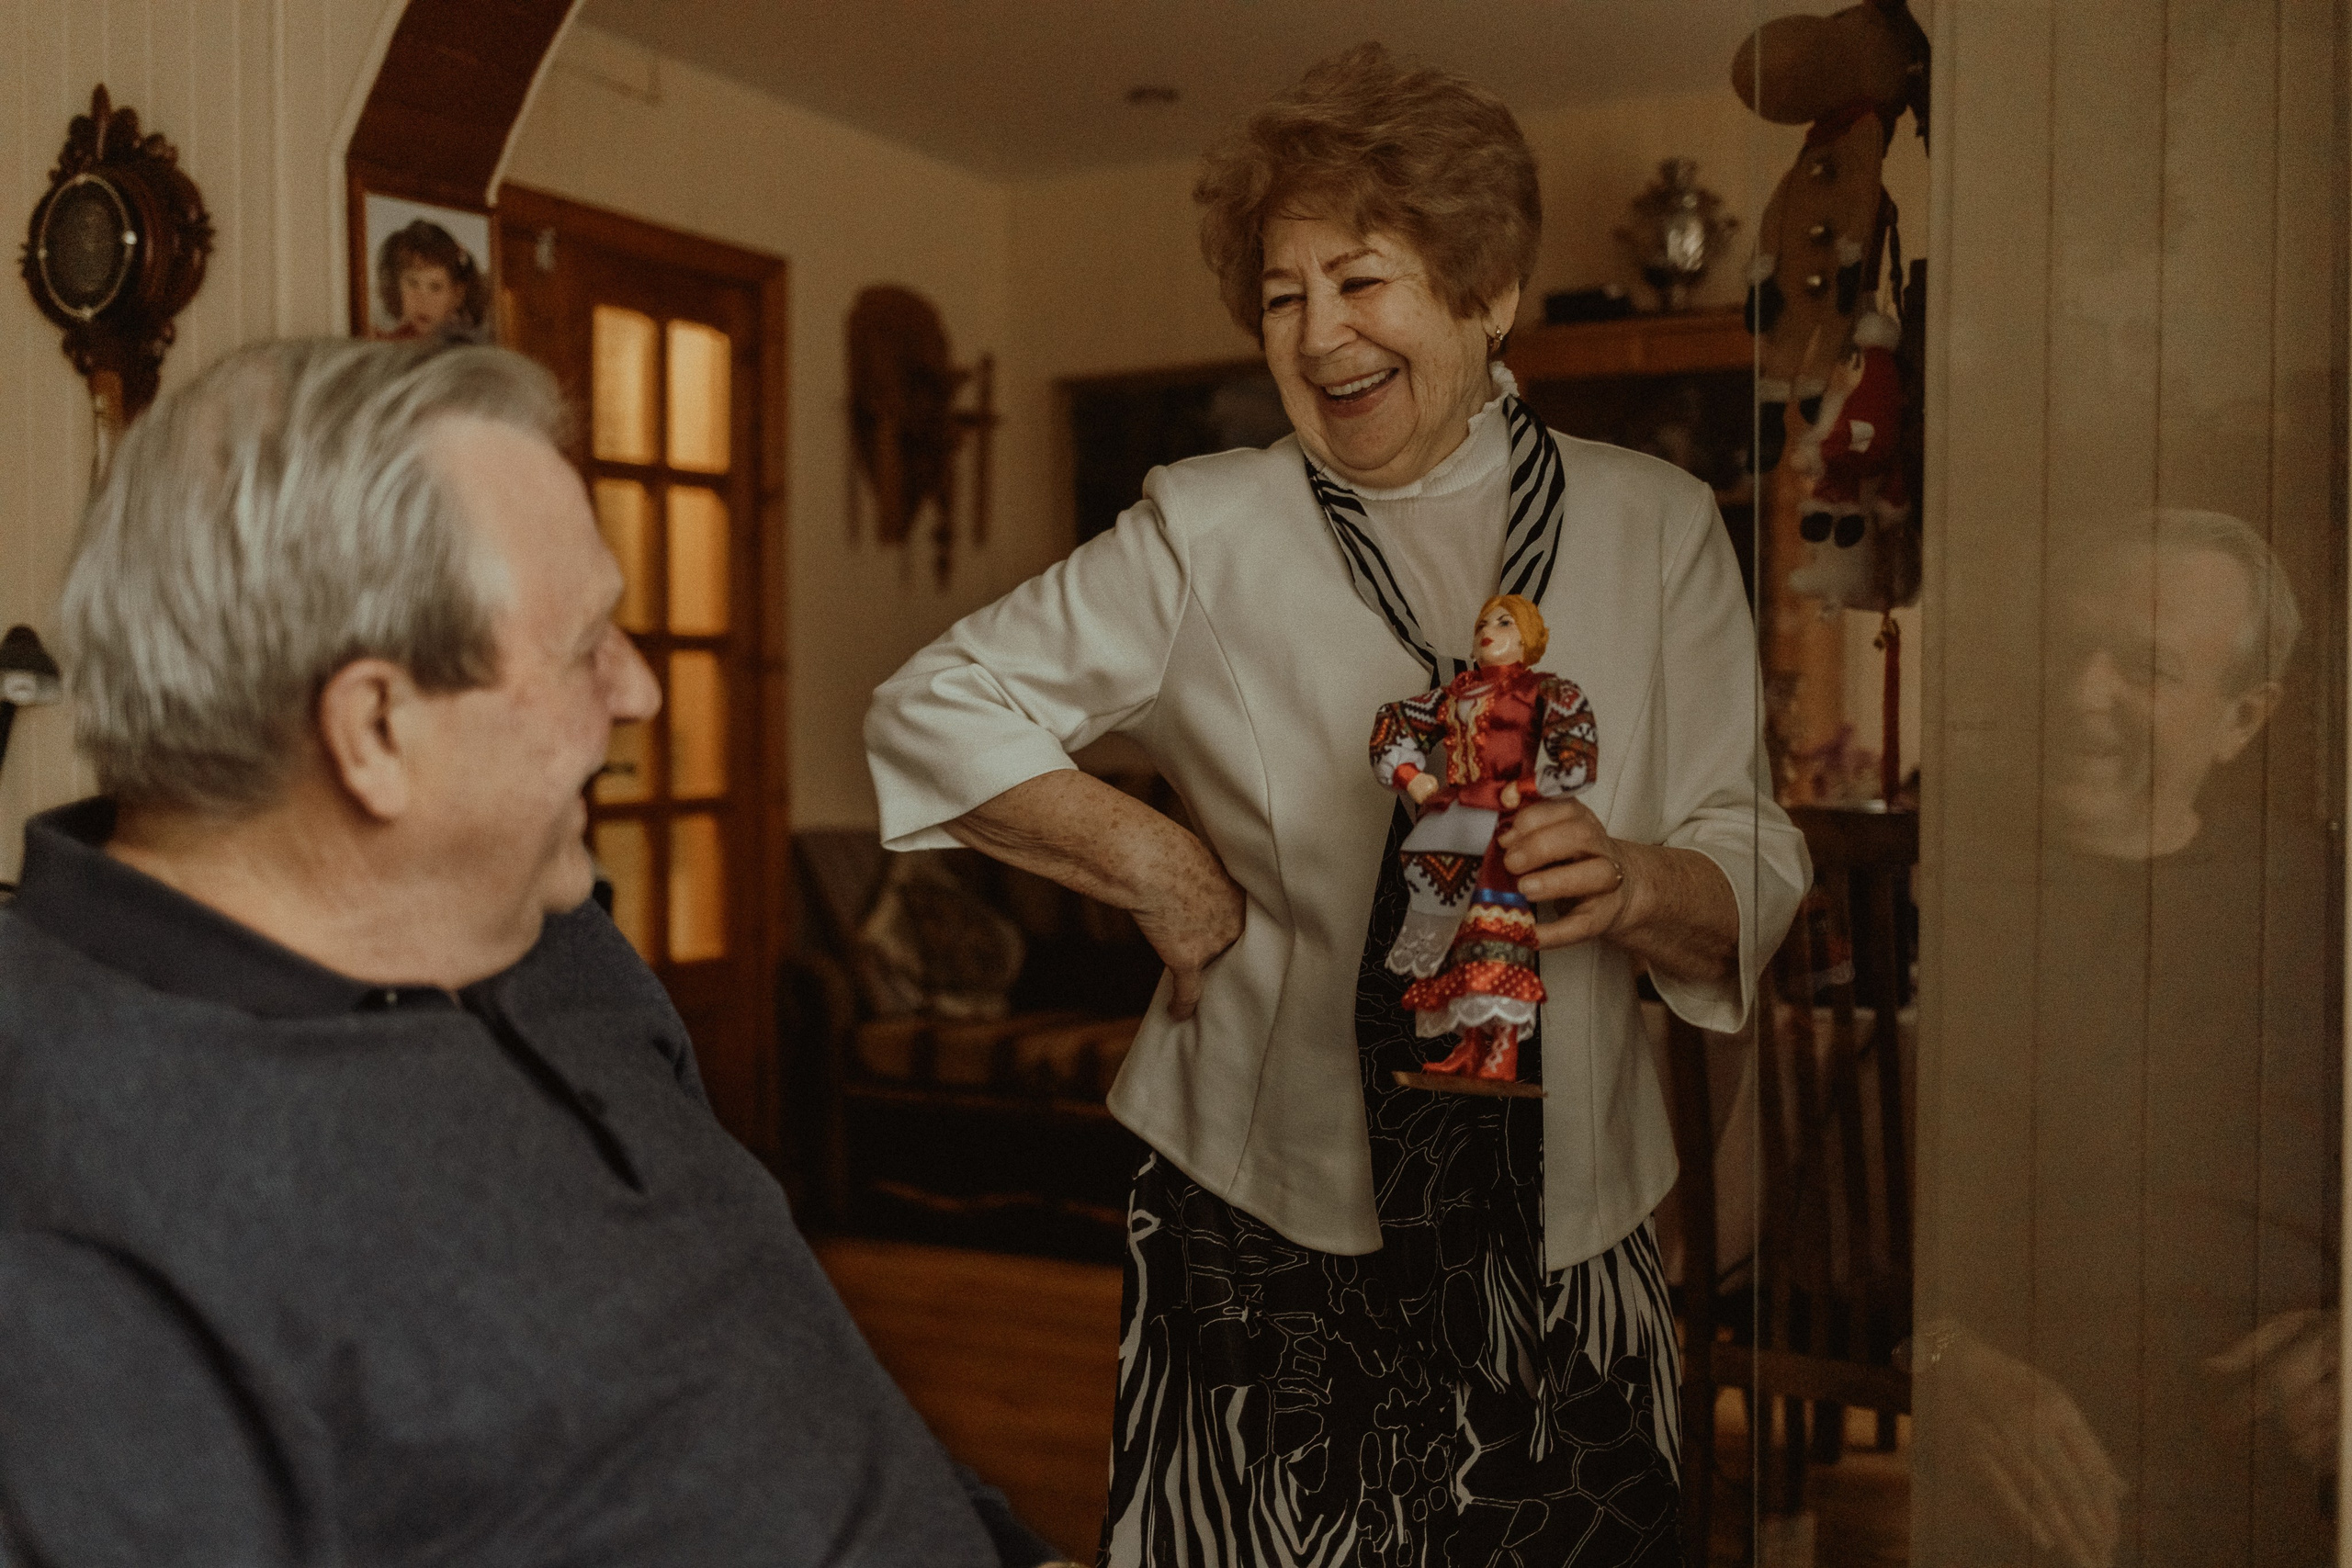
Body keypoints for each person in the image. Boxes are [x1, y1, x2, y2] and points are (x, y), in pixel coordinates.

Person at [866, 44, 1808, 1563]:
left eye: (1361, 280)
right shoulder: (1210, 522)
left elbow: (1750, 845)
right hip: (1271, 1206)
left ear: (1491, 288)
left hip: (1565, 1226)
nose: (1318, 334)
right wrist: (1157, 861)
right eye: (1282, 292)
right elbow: (935, 706)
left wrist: (1639, 883)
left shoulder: (1656, 523)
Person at [0, 338, 1066, 1568]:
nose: (643, 691)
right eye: (587, 644)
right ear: (377, 727)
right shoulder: (71, 1203)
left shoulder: (546, 933)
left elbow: (780, 1362)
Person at [1916, 510, 2334, 1567]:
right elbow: (1816, 1216)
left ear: (2242, 719)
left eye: (2143, 667)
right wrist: (1943, 1362)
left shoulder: (2315, 902)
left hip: (2274, 1465)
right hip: (2003, 1461)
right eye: (2065, 649)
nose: (2077, 695)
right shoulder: (1928, 885)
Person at [1371, 593, 1598, 1083]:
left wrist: (1527, 787)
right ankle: (1470, 1042)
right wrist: (1411, 775)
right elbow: (1393, 721)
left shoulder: (1542, 690)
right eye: (1482, 623)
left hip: (1500, 827)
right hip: (1452, 825)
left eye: (1504, 622)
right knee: (1457, 931)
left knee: (1497, 930)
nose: (1488, 630)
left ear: (1528, 636)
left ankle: (1504, 1048)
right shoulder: (1454, 695)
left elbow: (1577, 755)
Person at [376, 218, 489, 342]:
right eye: (413, 283)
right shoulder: (385, 341)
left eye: (435, 287)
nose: (422, 300)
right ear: (396, 285)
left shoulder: (464, 349)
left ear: (457, 295)